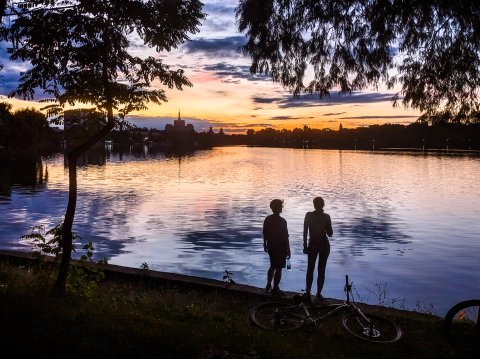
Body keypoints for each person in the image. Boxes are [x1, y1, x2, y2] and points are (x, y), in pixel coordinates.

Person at [303, 196, 333, 299]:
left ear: (314, 205)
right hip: (324, 245)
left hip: (312, 244)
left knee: (310, 269)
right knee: (321, 269)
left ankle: (308, 291)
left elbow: (305, 231)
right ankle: (318, 293)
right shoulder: (326, 217)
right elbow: (330, 234)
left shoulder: (309, 215)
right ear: (323, 205)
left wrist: (305, 245)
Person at [263, 199, 291, 295]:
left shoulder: (267, 219)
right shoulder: (283, 221)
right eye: (281, 206)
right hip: (281, 247)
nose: (282, 207)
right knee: (278, 268)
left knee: (272, 266)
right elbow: (286, 236)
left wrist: (265, 244)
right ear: (277, 208)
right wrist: (288, 249)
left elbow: (264, 233)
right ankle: (275, 288)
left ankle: (268, 285)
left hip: (271, 246)